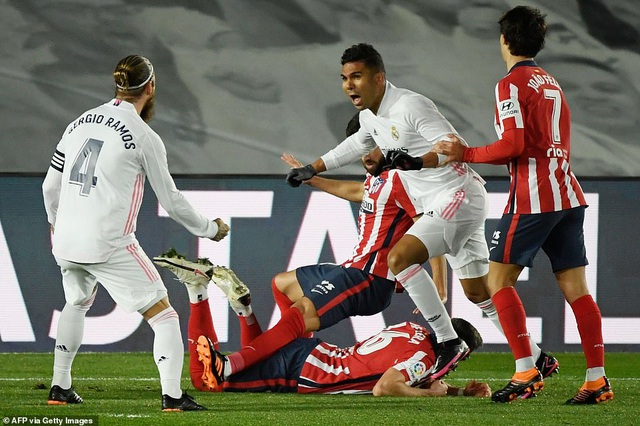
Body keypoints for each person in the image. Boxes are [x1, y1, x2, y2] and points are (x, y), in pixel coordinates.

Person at [434, 6, 614, 404]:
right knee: (576, 289)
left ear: (505, 40)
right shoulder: (551, 82)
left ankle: (525, 371)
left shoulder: (510, 84)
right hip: (567, 192)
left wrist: (465, 152)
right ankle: (597, 379)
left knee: (497, 282)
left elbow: (513, 145)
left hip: (534, 197)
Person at [285, 42, 490, 379]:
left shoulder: (411, 106)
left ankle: (448, 340)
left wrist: (418, 161)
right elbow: (353, 146)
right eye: (344, 78)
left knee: (400, 259)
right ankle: (533, 357)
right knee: (478, 292)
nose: (349, 84)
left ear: (379, 78)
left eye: (357, 76)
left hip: (455, 194)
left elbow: (455, 149)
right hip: (440, 201)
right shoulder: (370, 117)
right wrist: (313, 168)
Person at [41, 55, 230, 411]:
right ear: (151, 87)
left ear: (117, 85)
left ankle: (60, 386)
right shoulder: (144, 137)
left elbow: (50, 186)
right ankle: (172, 397)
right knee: (164, 316)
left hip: (65, 240)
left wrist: (57, 224)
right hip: (108, 243)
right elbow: (171, 202)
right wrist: (210, 229)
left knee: (77, 302)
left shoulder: (77, 123)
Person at [153, 251, 491, 397]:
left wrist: (458, 392)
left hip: (316, 352)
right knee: (205, 380)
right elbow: (386, 387)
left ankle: (246, 312)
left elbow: (405, 375)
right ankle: (197, 290)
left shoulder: (412, 330)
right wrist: (442, 395)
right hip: (305, 371)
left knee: (256, 351)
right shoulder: (426, 360)